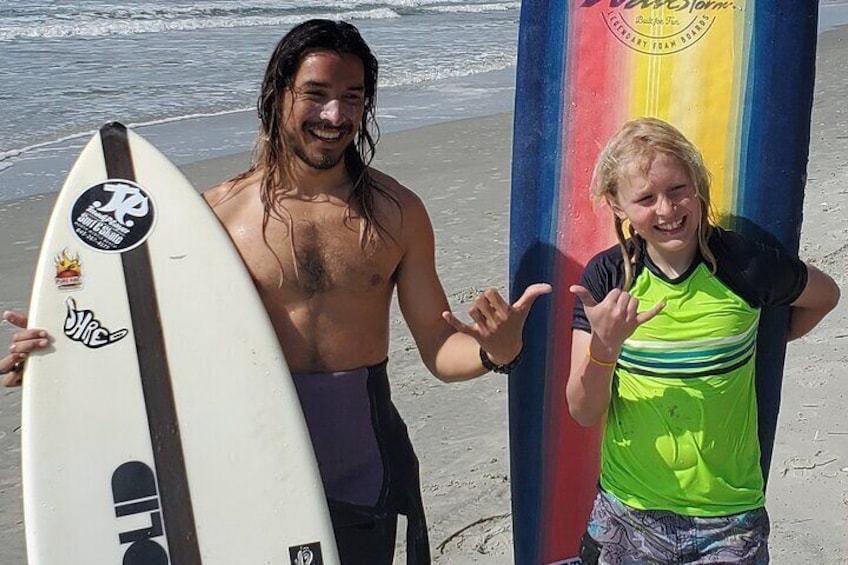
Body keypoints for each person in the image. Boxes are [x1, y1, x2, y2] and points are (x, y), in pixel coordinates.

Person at [0, 19, 551, 565]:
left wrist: (494, 351)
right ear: (277, 94)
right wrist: (62, 363)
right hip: (244, 454)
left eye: (352, 98)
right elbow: (152, 345)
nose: (335, 116)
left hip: (362, 459)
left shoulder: (396, 214)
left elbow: (436, 344)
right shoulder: (210, 219)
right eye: (315, 95)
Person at [566, 117, 840, 564]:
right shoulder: (608, 278)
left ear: (698, 184)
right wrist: (605, 348)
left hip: (729, 520)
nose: (666, 210)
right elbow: (582, 411)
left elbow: (825, 295)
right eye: (645, 198)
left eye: (678, 190)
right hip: (626, 512)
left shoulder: (745, 265)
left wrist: (762, 345)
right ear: (617, 206)